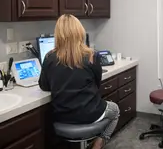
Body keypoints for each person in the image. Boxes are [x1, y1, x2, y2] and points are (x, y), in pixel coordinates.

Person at [38, 14, 119, 149]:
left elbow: (44, 86)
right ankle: (98, 144)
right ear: (80, 32)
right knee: (115, 110)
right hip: (89, 113)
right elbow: (96, 84)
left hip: (61, 117)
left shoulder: (49, 58)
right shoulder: (91, 55)